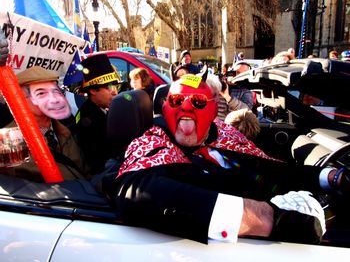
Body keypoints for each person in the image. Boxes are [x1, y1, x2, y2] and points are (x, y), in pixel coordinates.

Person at [105, 72, 350, 245]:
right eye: (177, 101)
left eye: (198, 102)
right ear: (166, 108)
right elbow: (131, 189)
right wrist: (269, 217)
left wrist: (330, 176)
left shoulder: (224, 134)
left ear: (213, 110)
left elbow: (267, 168)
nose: (186, 108)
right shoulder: (151, 143)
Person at [3, 66, 89, 182]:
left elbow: (85, 172)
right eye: (41, 93)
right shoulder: (8, 143)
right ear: (20, 99)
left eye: (55, 91)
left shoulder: (66, 131)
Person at [76, 54, 119, 175]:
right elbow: (99, 162)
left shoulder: (100, 109)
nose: (114, 92)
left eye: (115, 86)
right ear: (93, 90)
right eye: (108, 87)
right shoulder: (89, 120)